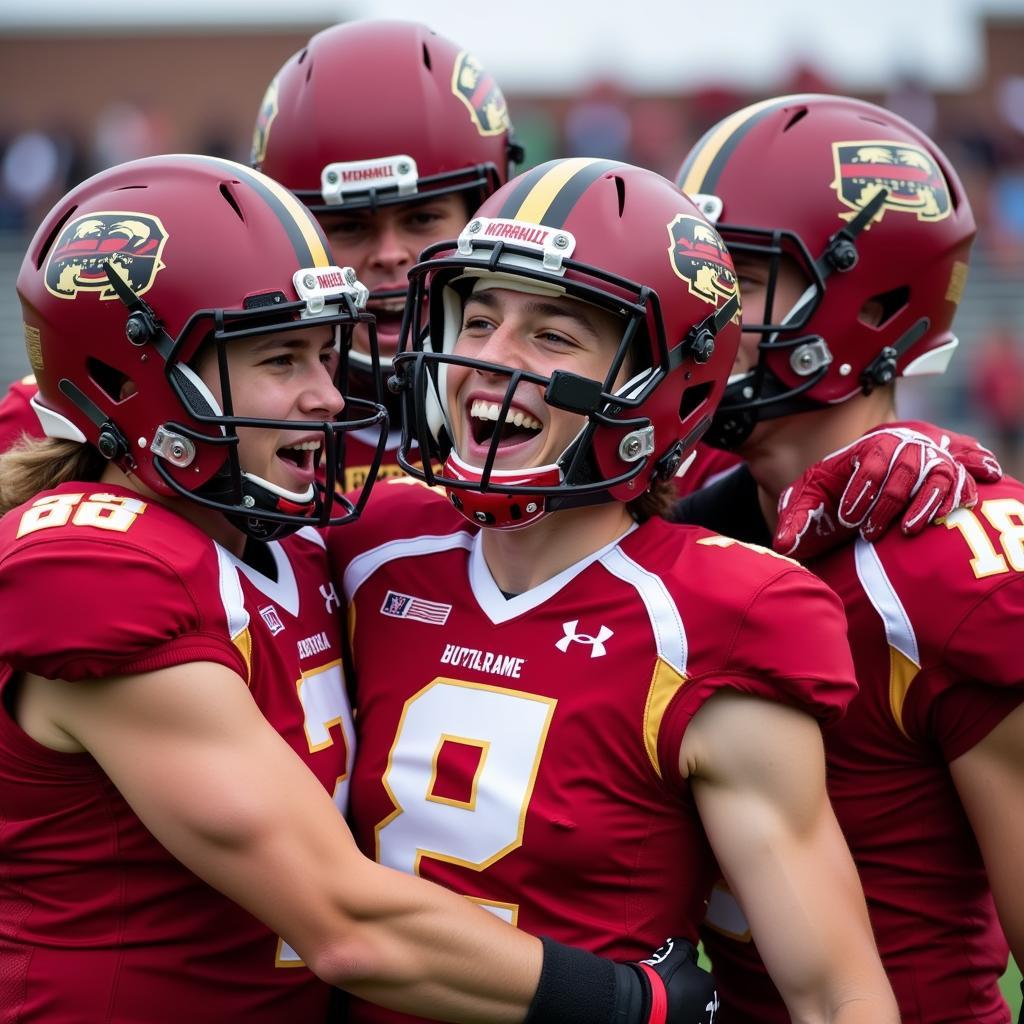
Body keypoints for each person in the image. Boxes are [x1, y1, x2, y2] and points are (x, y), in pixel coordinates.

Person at [0, 153, 719, 1024]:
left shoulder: (290, 539)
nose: (328, 397)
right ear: (132, 380)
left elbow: (580, 500)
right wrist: (632, 1002)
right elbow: (342, 923)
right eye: (280, 360)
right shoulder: (90, 566)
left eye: (324, 353)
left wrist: (885, 454)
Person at [327, 156, 900, 1024]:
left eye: (553, 336)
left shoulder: (719, 615)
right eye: (477, 318)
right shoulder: (372, 545)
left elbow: (836, 996)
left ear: (659, 386)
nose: (489, 359)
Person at [671, 93, 1024, 1023]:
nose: (698, 317)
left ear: (872, 298)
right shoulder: (673, 517)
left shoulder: (947, 562)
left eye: (737, 284)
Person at [252, 18, 524, 493]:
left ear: (486, 211)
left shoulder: (552, 408)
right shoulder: (244, 423)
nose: (389, 254)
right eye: (351, 226)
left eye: (421, 219)